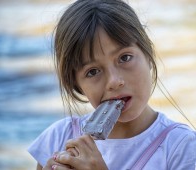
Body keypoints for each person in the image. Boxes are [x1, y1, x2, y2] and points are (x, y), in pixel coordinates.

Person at [28, 0, 196, 169]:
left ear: (148, 55)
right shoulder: (58, 138)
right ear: (76, 84)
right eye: (92, 71)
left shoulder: (182, 147)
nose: (114, 81)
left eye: (125, 58)